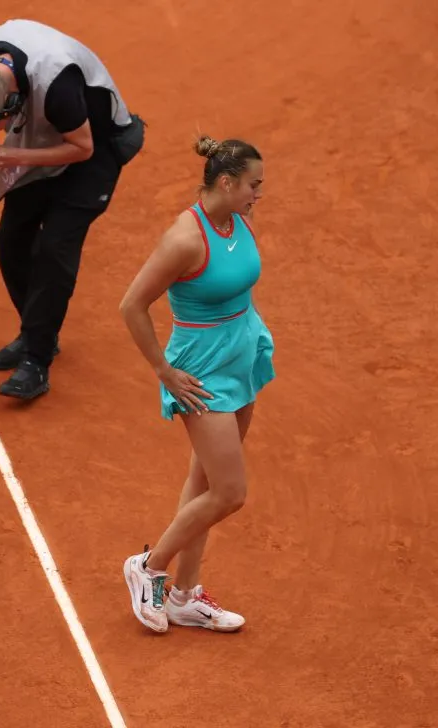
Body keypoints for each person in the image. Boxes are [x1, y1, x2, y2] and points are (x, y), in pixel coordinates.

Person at [0, 18, 145, 400]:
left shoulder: (57, 84)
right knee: (11, 241)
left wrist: (13, 153)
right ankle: (38, 333)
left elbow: (82, 147)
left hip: (94, 149)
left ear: (11, 109)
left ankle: (36, 361)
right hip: (41, 139)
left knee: (54, 249)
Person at [118, 135, 274, 633]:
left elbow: (236, 281)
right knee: (229, 492)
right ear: (226, 183)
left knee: (204, 481)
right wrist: (164, 371)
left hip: (241, 352)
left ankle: (185, 596)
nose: (258, 195)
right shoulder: (185, 239)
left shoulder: (237, 219)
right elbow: (131, 306)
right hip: (201, 370)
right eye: (253, 185)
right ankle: (148, 568)